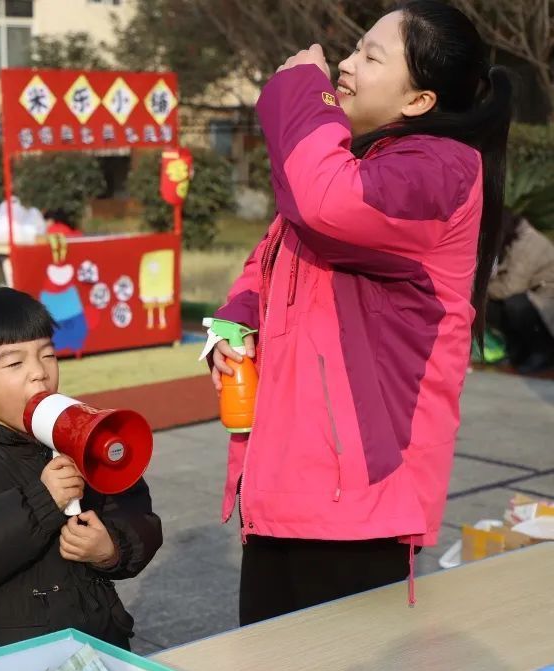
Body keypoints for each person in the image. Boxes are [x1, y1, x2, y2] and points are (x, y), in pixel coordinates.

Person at [207, 1, 513, 625]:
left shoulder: (441, 170)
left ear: (420, 102)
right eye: (354, 48)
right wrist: (236, 322)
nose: (344, 64)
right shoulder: (365, 163)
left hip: (359, 501)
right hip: (285, 490)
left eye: (371, 56)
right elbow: (270, 257)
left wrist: (300, 89)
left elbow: (324, 203)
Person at [0, 287, 162, 660]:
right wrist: (42, 499)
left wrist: (111, 549)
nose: (39, 374)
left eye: (48, 355)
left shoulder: (74, 429)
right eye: (14, 364)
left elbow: (134, 510)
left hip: (91, 643)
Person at [487, 211, 554, 373]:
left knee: (515, 304)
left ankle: (543, 352)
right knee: (488, 306)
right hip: (531, 297)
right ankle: (518, 351)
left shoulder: (528, 244)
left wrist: (479, 289)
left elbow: (511, 288)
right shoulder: (512, 241)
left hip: (547, 301)